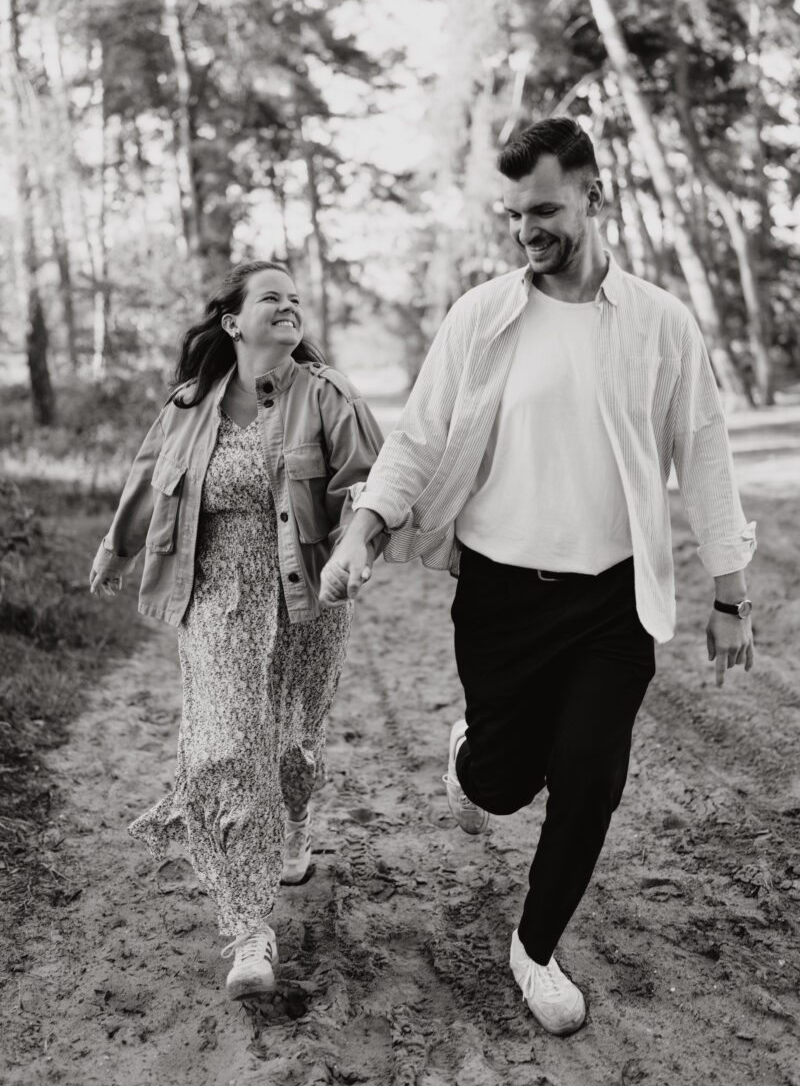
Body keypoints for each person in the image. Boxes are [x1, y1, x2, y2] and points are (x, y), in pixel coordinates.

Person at [319, 117, 756, 1036]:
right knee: (500, 787)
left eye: (546, 208)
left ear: (595, 196)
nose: (529, 230)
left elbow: (705, 456)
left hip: (613, 599)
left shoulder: (661, 324)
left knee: (592, 772)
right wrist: (365, 529)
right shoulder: (484, 316)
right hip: (503, 596)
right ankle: (469, 752)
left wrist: (730, 592)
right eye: (516, 214)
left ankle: (536, 946)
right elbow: (420, 437)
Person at [90, 260, 383, 1001]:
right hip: (216, 596)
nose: (288, 306)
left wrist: (356, 541)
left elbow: (369, 483)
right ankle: (249, 926)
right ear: (232, 322)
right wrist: (116, 547)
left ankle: (296, 816)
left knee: (291, 746)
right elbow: (146, 476)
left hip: (307, 597)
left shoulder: (326, 396)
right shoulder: (190, 406)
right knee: (226, 750)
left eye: (295, 297)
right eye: (271, 298)